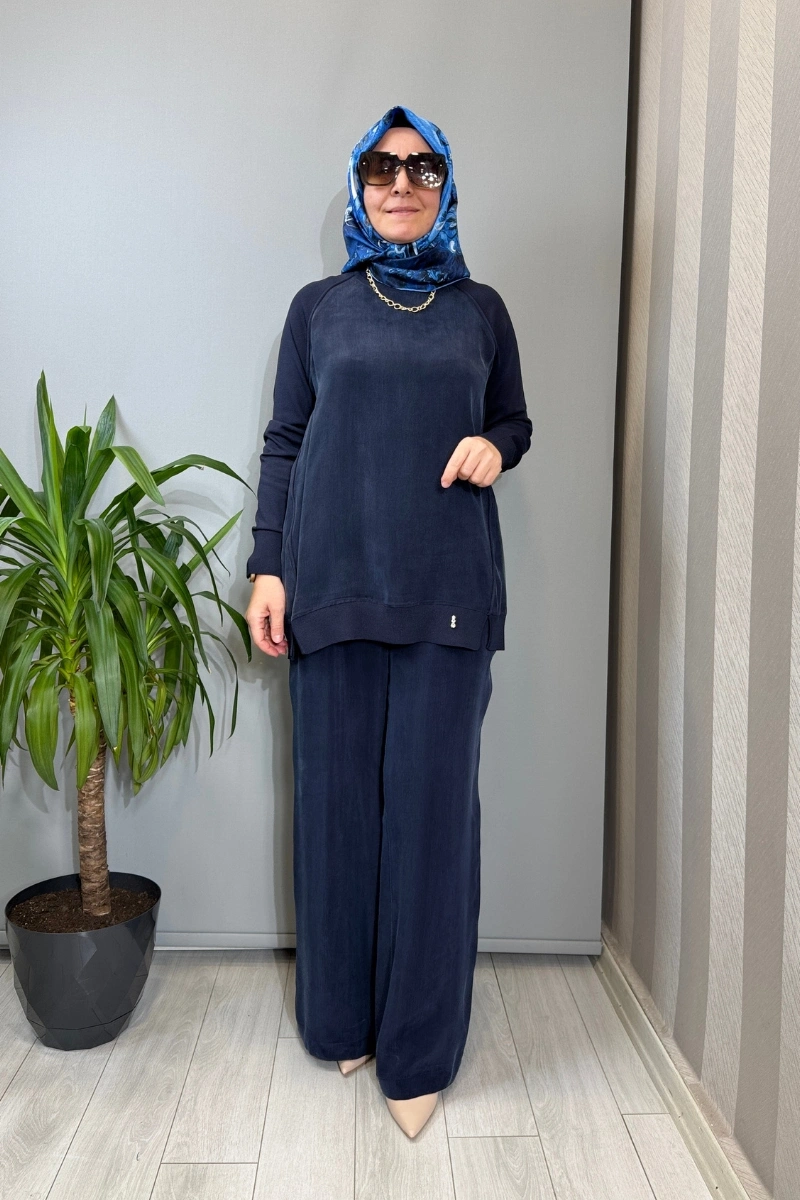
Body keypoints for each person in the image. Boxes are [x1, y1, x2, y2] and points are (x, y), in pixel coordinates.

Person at [245, 103, 532, 1139]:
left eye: (421, 167)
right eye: (380, 167)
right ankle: (340, 1022)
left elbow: (512, 418)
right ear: (359, 186)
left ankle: (417, 1052)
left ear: (444, 185)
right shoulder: (318, 308)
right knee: (334, 814)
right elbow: (286, 439)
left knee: (430, 823)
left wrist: (497, 447)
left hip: (448, 589)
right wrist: (267, 568)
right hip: (327, 584)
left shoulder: (479, 309)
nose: (400, 183)